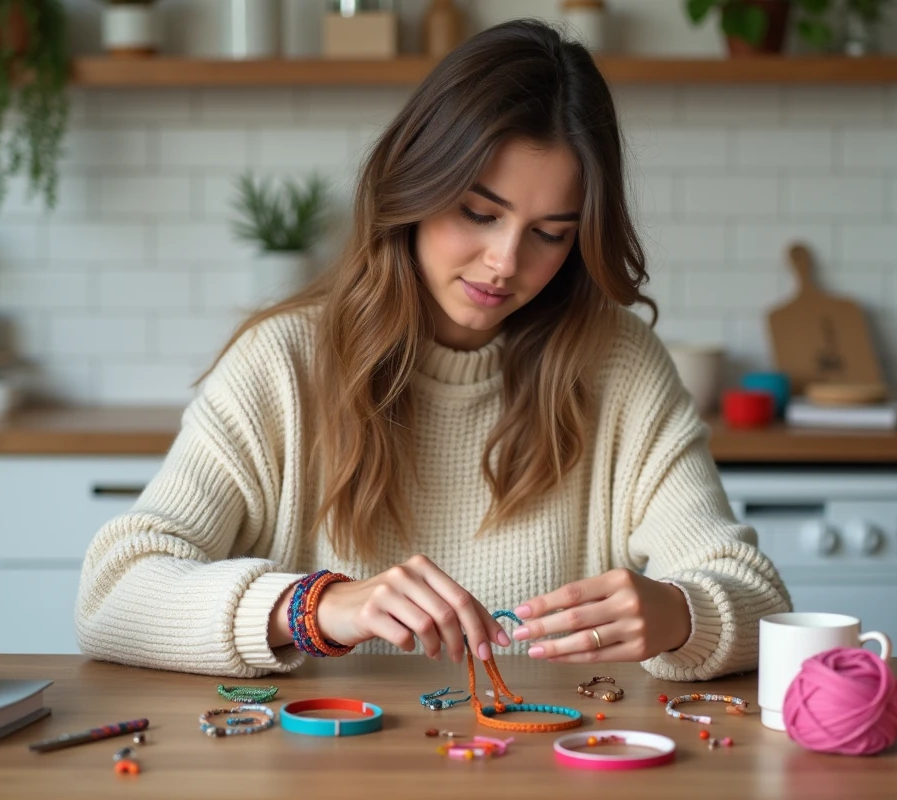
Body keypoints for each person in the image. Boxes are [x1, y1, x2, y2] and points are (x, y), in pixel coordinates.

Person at [75, 18, 790, 681]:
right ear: (414, 186)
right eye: (478, 213)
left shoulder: (620, 365)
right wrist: (317, 608)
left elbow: (758, 596)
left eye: (550, 233)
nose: (505, 262)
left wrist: (680, 613)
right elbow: (113, 594)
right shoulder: (282, 364)